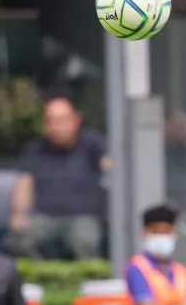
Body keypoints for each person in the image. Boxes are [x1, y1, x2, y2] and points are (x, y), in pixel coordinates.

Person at [7, 95, 109, 260]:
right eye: (50, 121)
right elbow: (24, 183)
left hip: (84, 215)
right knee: (19, 240)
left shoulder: (92, 144)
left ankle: (88, 275)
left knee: (85, 241)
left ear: (75, 120)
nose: (56, 127)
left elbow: (112, 168)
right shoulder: (36, 148)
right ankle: (41, 273)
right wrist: (17, 215)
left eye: (61, 120)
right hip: (45, 215)